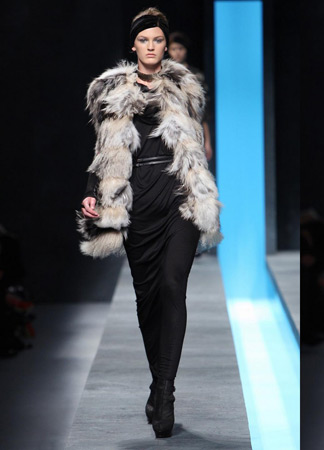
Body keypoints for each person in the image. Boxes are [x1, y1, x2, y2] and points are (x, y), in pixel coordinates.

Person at [77, 7, 222, 439]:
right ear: (134, 45)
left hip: (180, 195)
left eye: (158, 39)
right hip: (136, 199)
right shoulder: (110, 91)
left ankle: (165, 391)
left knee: (173, 285)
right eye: (145, 40)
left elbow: (195, 140)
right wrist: (91, 191)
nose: (153, 46)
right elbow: (103, 149)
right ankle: (157, 382)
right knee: (147, 299)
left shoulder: (184, 86)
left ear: (165, 45)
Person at [168, 31, 214, 162]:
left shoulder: (196, 76)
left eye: (180, 48)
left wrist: (207, 142)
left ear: (186, 50)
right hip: (171, 129)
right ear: (168, 51)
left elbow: (203, 112)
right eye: (173, 49)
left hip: (192, 128)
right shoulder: (165, 74)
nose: (177, 52)